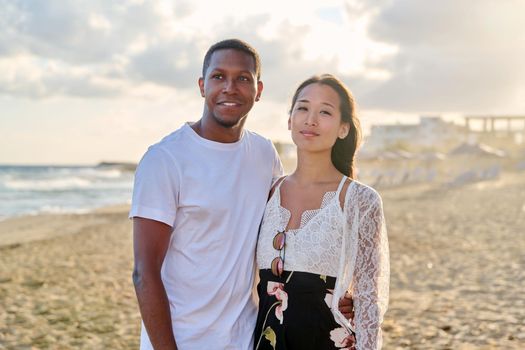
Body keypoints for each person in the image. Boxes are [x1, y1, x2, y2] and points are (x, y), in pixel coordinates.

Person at [130, 39, 354, 350]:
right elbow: (144, 273)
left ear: (258, 90)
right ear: (202, 85)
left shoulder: (263, 153)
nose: (230, 87)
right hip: (184, 340)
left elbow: (287, 238)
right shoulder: (165, 159)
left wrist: (338, 290)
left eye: (243, 79)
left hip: (249, 338)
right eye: (218, 76)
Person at [254, 74, 389, 349]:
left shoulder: (360, 200)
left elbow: (368, 301)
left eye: (325, 111)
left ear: (343, 128)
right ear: (289, 120)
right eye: (302, 108)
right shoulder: (266, 192)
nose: (311, 119)